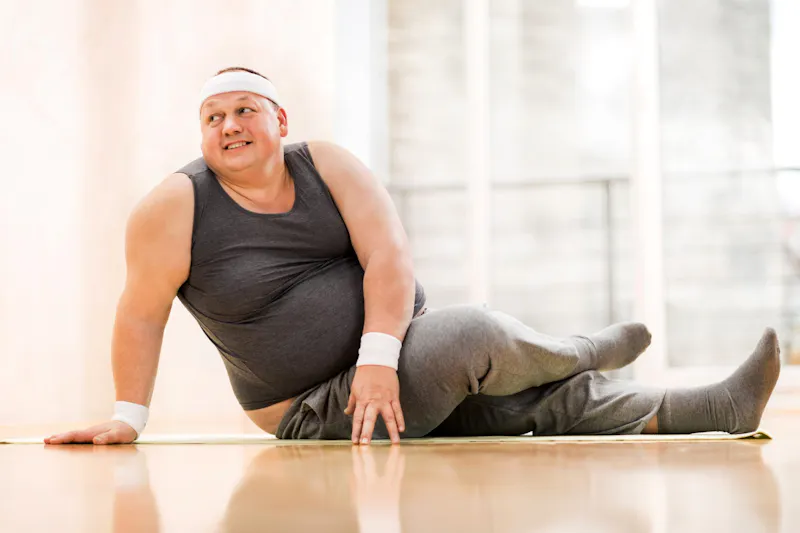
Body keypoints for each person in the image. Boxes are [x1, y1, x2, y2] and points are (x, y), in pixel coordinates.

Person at [44, 67, 782, 447]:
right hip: (313, 408)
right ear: (200, 133)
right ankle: (578, 347)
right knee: (475, 340)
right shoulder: (172, 207)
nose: (229, 125)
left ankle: (715, 407)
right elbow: (139, 316)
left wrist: (376, 357)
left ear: (280, 121)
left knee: (521, 403)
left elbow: (389, 255)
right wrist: (127, 417)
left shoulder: (326, 162)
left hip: (394, 360)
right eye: (213, 117)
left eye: (245, 111)